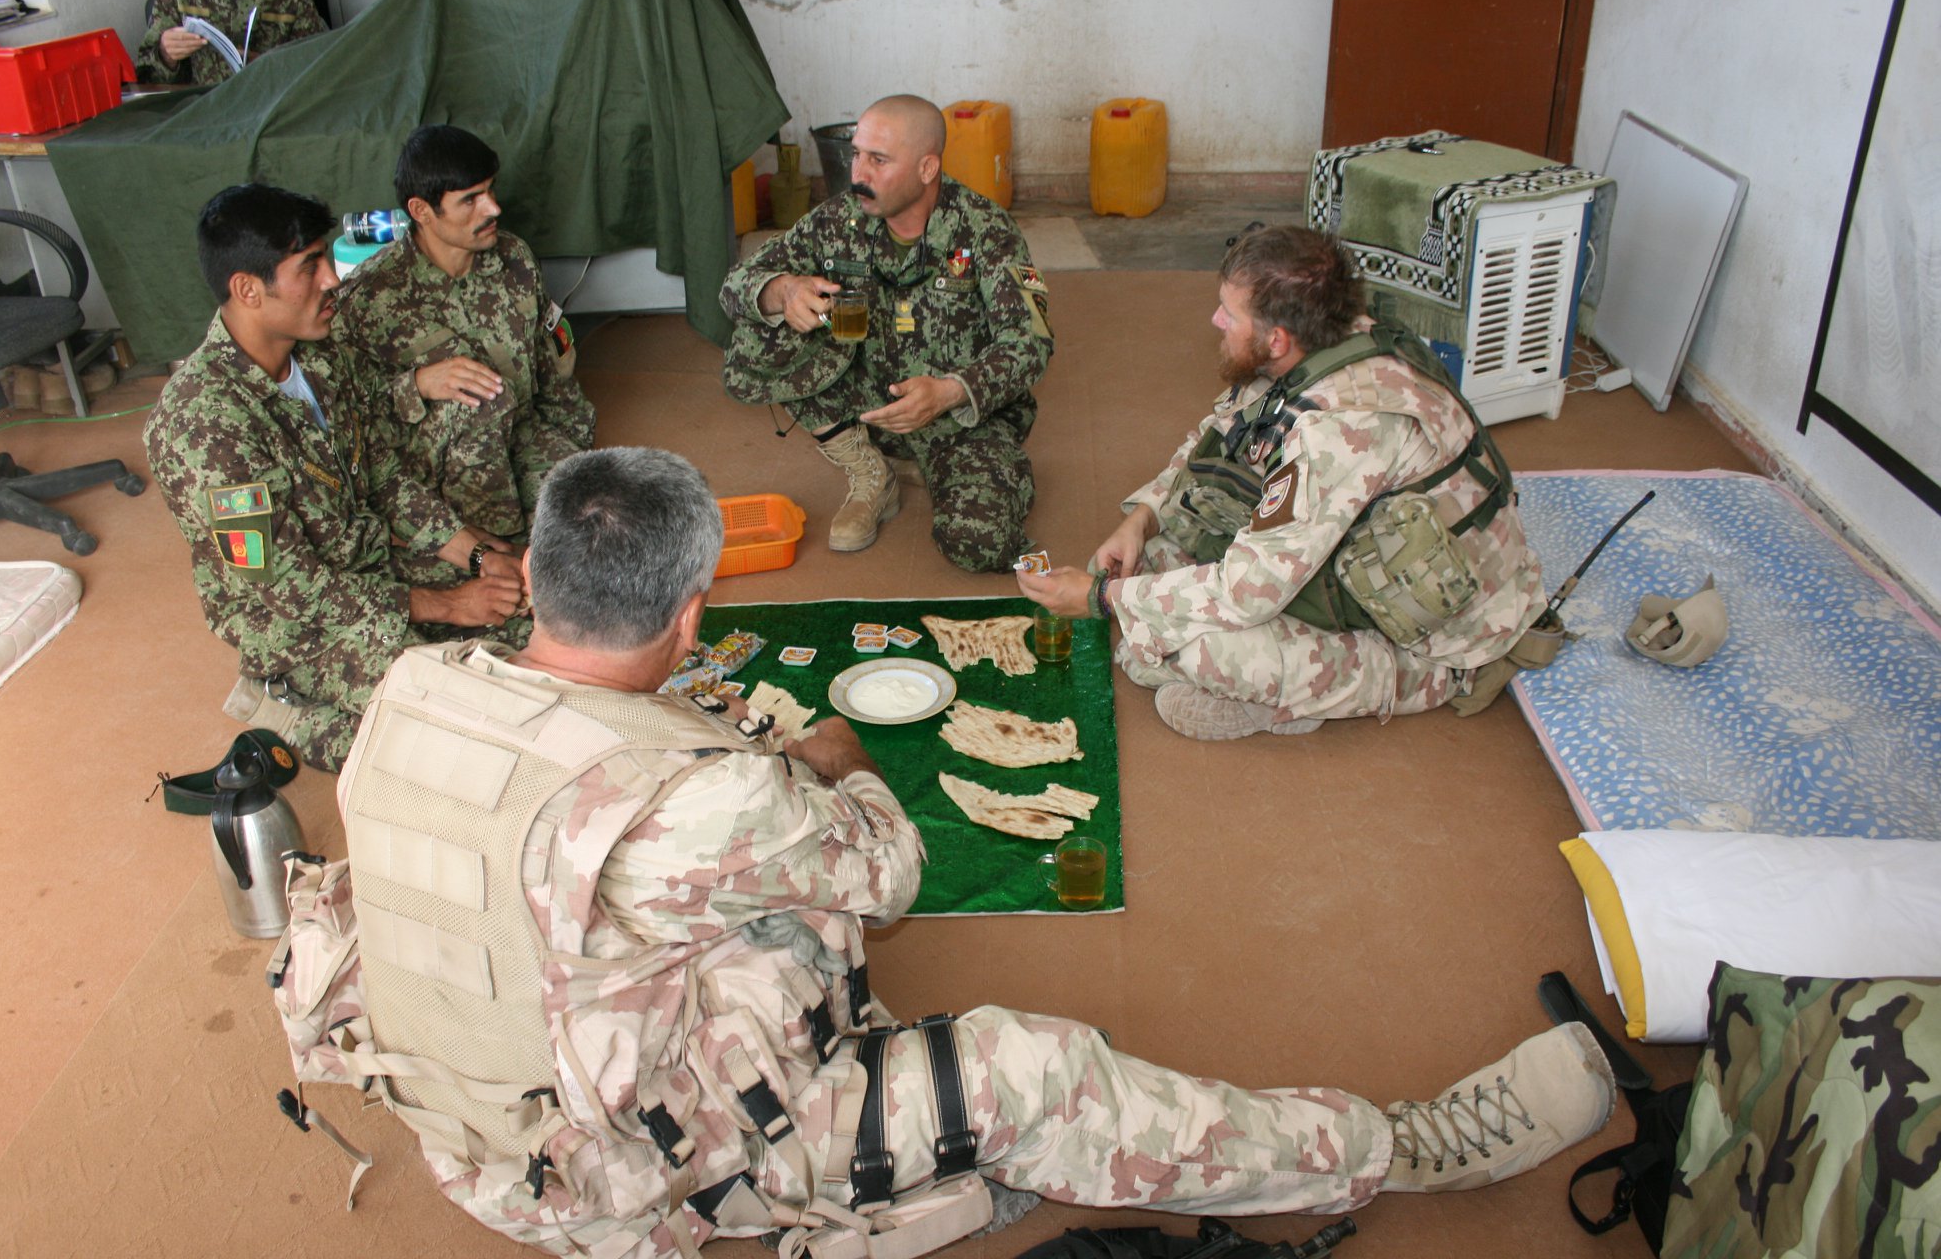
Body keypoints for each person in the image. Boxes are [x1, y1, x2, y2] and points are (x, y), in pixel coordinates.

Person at [324, 445, 1613, 1256]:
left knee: (760, 923)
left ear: (536, 570)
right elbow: (889, 873)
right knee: (1033, 1072)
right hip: (609, 1178)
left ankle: (882, 1183)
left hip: (473, 1130)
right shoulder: (707, 802)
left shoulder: (411, 687)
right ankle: (1388, 1150)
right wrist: (840, 766)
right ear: (693, 612)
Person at [1018, 225, 1545, 741]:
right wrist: (1143, 518)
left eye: (1230, 315)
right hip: (1353, 562)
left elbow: (1247, 592)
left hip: (1439, 631)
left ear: (1276, 340)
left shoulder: (1340, 429)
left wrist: (1103, 599)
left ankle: (1410, 680)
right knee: (1148, 564)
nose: (1216, 320)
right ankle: (1260, 674)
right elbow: (1215, 437)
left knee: (1194, 649)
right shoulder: (1316, 339)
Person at [145, 183, 527, 773]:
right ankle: (292, 711)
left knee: (535, 616)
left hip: (370, 565)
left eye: (326, 258)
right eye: (309, 266)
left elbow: (383, 478)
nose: (332, 280)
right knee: (459, 725)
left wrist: (477, 557)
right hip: (298, 625)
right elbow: (290, 586)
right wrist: (450, 606)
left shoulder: (321, 357)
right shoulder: (203, 424)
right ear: (248, 289)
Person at [718, 95, 1052, 572]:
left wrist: (949, 392)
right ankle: (871, 469)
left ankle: (966, 470)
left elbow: (1031, 342)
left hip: (959, 419)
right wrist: (783, 290)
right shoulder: (838, 220)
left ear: (926, 168)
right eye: (856, 154)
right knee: (762, 327)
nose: (858, 174)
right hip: (865, 405)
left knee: (978, 543)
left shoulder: (986, 230)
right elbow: (736, 284)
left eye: (878, 160)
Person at [333, 124, 596, 542]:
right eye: (470, 199)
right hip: (431, 470)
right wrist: (417, 384)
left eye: (490, 190)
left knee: (593, 514)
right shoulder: (370, 298)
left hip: (521, 437)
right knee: (503, 556)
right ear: (421, 210)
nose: (492, 208)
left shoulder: (514, 259)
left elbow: (553, 369)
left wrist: (575, 450)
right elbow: (342, 414)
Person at [135, 0, 326, 87]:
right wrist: (166, 56)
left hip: (269, 108)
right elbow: (145, 81)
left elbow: (319, 63)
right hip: (202, 112)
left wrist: (270, 65)